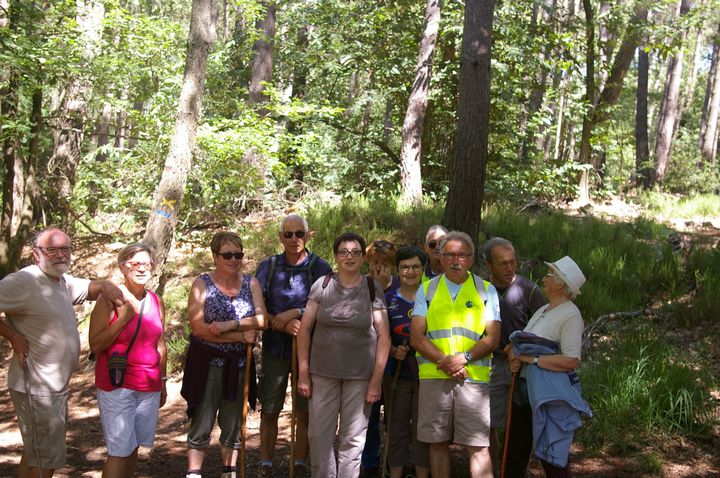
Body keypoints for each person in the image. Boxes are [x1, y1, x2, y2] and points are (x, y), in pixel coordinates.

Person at [0, 227, 125, 478]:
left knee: (36, 453)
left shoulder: (60, 280)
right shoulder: (23, 281)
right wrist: (13, 336)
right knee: (46, 459)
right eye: (52, 250)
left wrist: (106, 286)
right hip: (37, 387)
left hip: (51, 388)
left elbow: (90, 288)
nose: (60, 255)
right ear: (36, 254)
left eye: (65, 249)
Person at [297, 232, 391, 478]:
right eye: (344, 252)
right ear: (336, 256)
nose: (349, 257)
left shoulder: (372, 288)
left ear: (362, 257)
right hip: (322, 374)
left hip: (360, 377)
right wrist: (303, 373)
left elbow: (384, 336)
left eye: (355, 252)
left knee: (353, 441)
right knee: (319, 437)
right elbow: (304, 330)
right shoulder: (322, 285)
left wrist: (376, 380)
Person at [410, 231, 501, 478]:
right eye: (449, 255)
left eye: (462, 255)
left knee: (478, 446)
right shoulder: (427, 289)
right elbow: (416, 336)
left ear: (471, 259)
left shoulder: (486, 290)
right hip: (434, 377)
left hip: (473, 378)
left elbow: (493, 338)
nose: (455, 260)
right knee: (437, 443)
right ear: (440, 258)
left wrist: (462, 359)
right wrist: (444, 361)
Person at [180, 232, 267, 478]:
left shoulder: (251, 283)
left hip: (239, 365)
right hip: (206, 364)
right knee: (202, 419)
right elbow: (198, 328)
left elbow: (262, 320)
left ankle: (229, 472)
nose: (234, 260)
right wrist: (240, 337)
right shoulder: (202, 284)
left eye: (238, 254)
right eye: (227, 255)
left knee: (233, 423)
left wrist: (231, 325)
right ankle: (194, 473)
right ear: (215, 256)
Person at [255, 214, 332, 478]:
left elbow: (327, 306)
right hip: (274, 349)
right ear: (281, 237)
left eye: (299, 233)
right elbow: (257, 306)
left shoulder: (320, 267)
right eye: (288, 234)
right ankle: (266, 463)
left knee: (304, 410)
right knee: (270, 408)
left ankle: (299, 463)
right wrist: (281, 324)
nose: (294, 239)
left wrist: (297, 313)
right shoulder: (268, 267)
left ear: (308, 235)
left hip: (309, 351)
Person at [506, 256, 591, 478]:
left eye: (550, 275)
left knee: (552, 454)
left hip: (549, 394)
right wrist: (514, 355)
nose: (544, 279)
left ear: (562, 284)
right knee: (515, 449)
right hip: (524, 389)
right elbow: (521, 344)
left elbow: (571, 360)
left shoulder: (571, 314)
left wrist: (532, 360)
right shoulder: (544, 309)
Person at [89, 243, 167, 477]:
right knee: (119, 451)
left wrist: (162, 382)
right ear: (123, 268)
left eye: (146, 264)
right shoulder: (109, 300)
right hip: (117, 385)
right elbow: (96, 344)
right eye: (135, 264)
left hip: (148, 384)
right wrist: (123, 319)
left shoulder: (156, 301)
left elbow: (160, 344)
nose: (141, 269)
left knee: (133, 447)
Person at [483, 238, 545, 475]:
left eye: (513, 262)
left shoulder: (529, 291)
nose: (510, 268)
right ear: (489, 265)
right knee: (488, 423)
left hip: (523, 365)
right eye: (503, 263)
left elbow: (544, 329)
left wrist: (518, 348)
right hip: (490, 363)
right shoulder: (480, 290)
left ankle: (519, 469)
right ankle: (493, 469)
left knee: (521, 422)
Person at [383, 246, 430, 478]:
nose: (410, 272)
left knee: (423, 431)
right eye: (404, 267)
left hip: (427, 375)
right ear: (397, 269)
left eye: (415, 267)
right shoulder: (388, 298)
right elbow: (377, 334)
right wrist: (393, 351)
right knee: (397, 429)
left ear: (423, 269)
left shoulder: (433, 298)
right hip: (397, 374)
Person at [362, 239, 398, 477]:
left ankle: (395, 461)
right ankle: (371, 462)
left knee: (395, 415)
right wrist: (377, 288)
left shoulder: (402, 285)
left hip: (397, 361)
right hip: (367, 359)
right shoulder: (360, 284)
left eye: (384, 262)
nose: (378, 267)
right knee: (370, 413)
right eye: (374, 261)